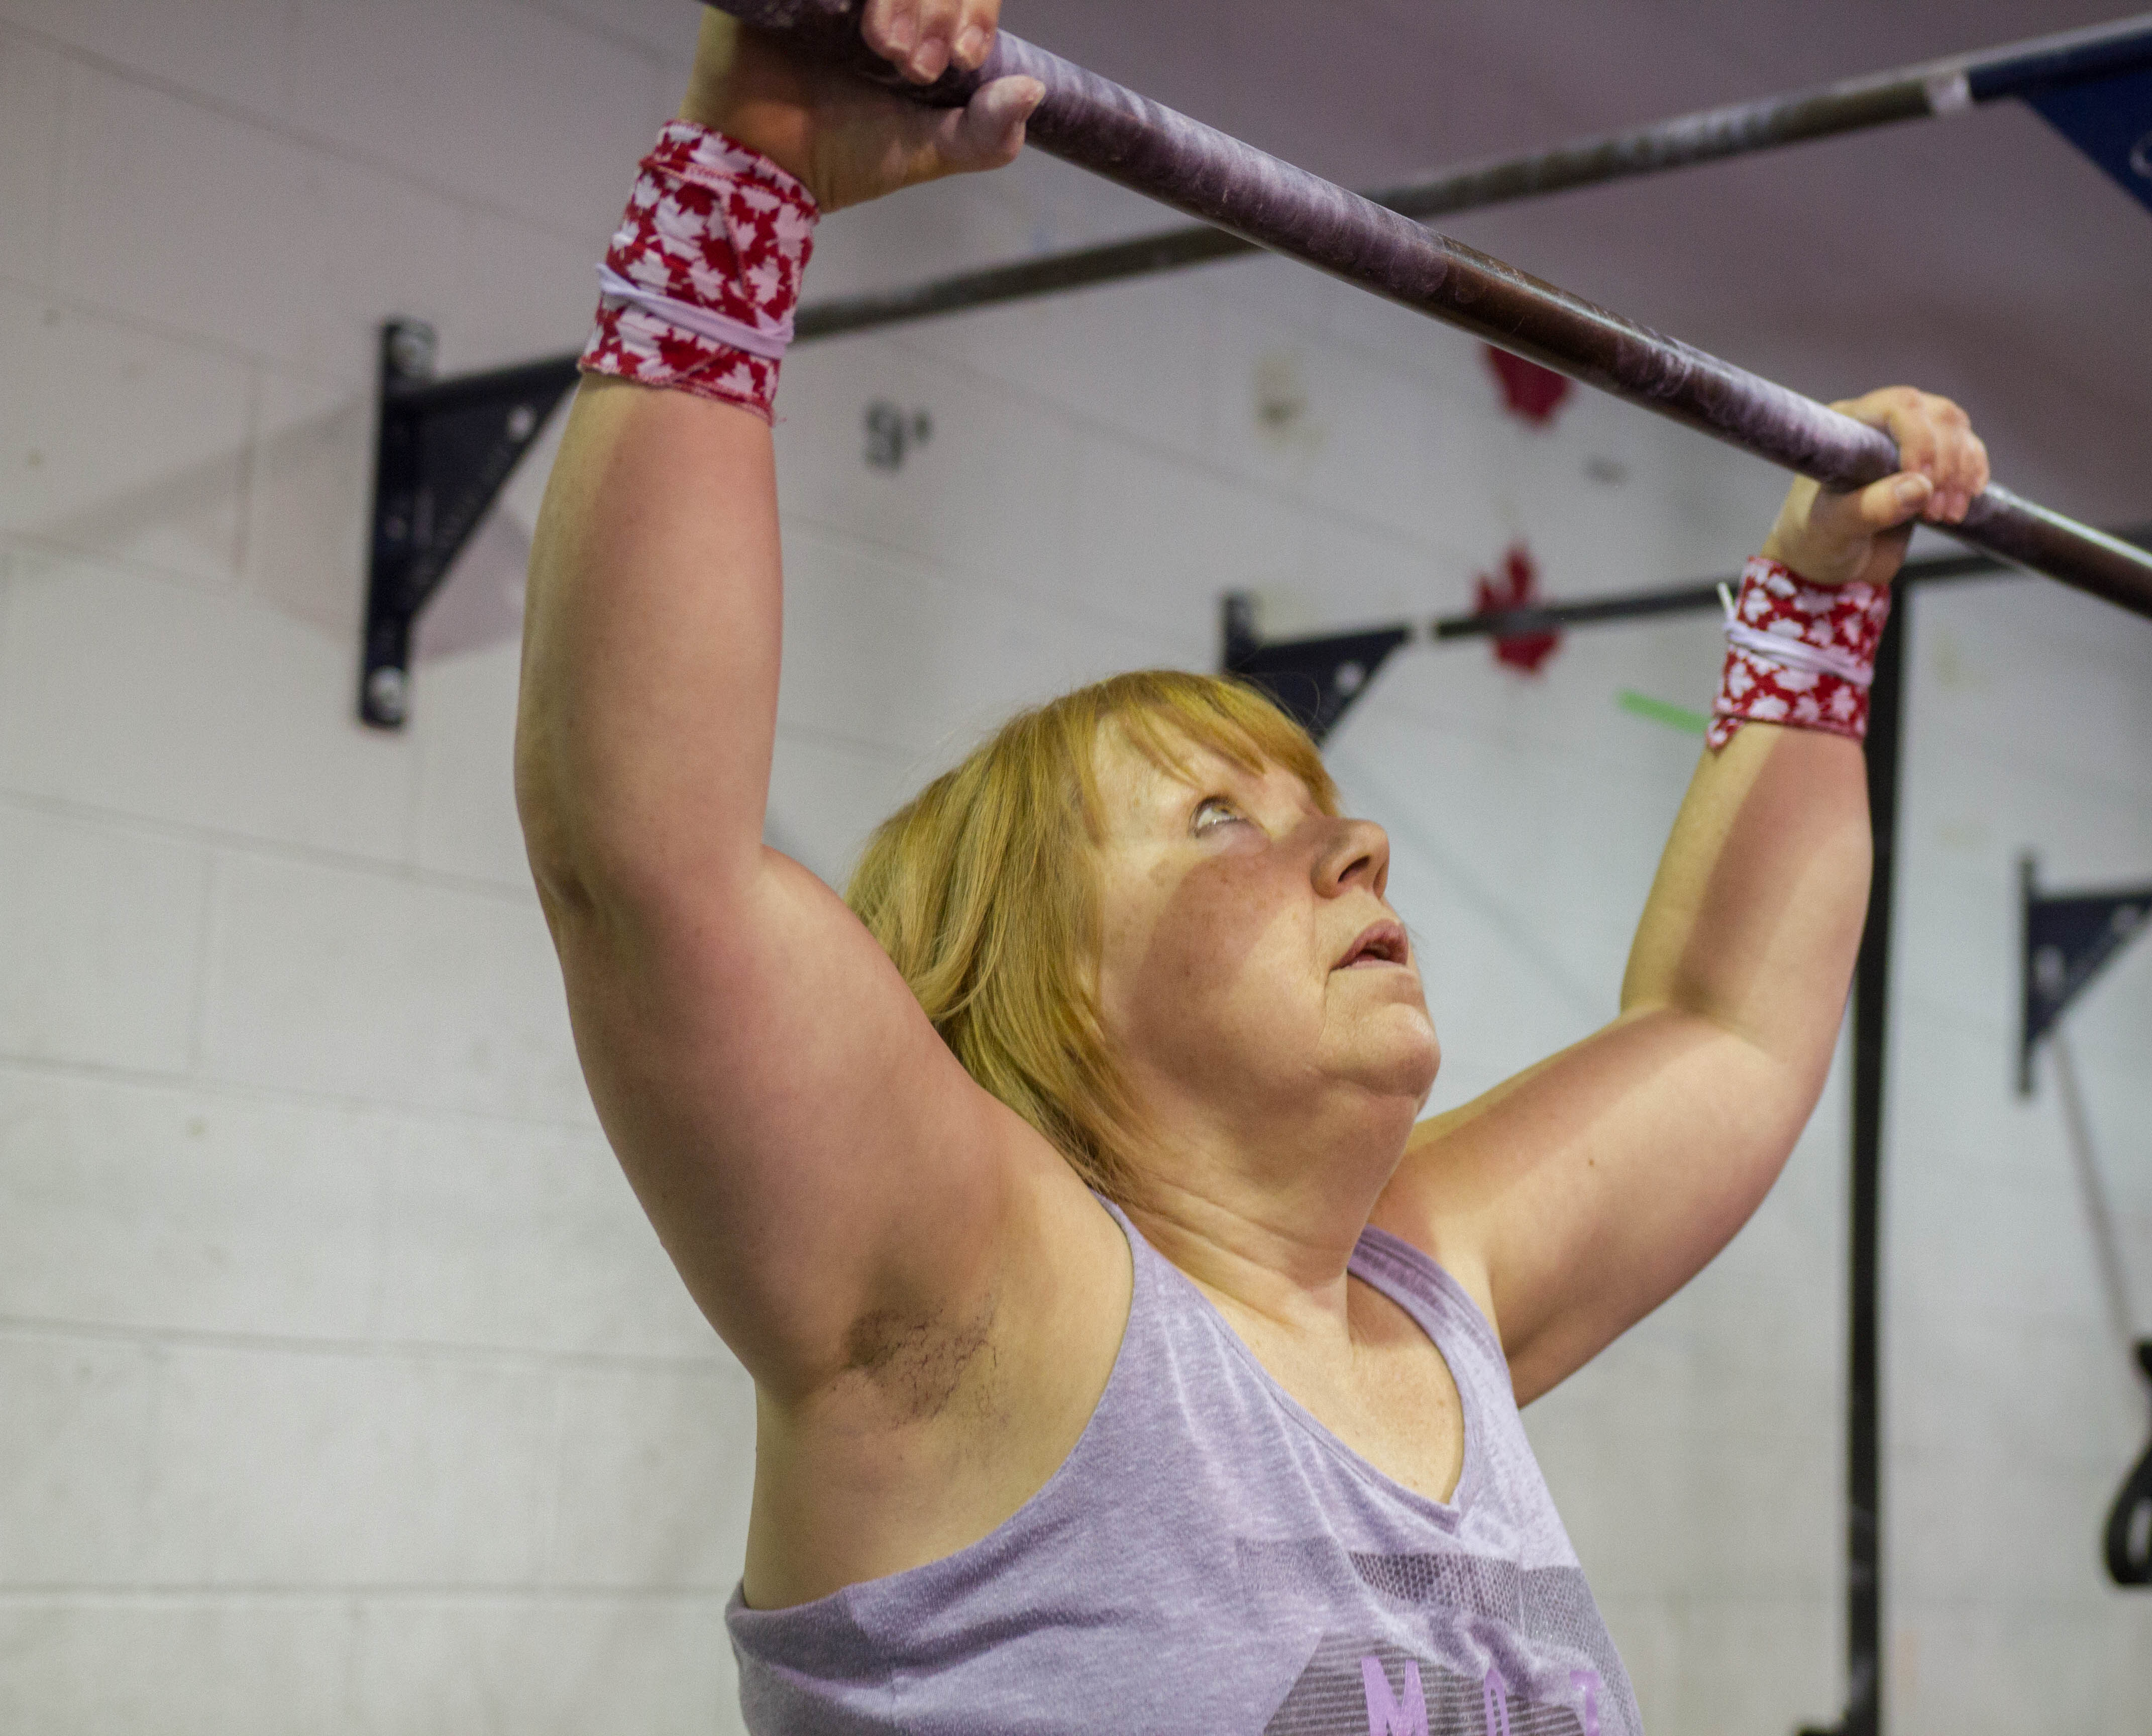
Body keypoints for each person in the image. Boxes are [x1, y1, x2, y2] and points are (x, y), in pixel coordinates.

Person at [514, 3, 1990, 1730]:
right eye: (1221, 820)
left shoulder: (1428, 1291)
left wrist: (1818, 607)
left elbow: (1732, 1031)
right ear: (1041, 980)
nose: (1358, 843)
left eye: (1316, 805)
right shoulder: (985, 1304)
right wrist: (748, 166)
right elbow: (648, 862)